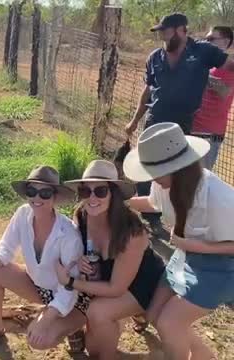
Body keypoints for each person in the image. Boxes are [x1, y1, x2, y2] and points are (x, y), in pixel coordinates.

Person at [124, 122, 234, 360]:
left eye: (155, 171)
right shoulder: (164, 183)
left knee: (169, 324)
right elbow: (154, 203)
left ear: (178, 167)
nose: (151, 177)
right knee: (154, 315)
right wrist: (121, 203)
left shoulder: (218, 197)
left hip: (220, 268)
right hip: (185, 256)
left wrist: (193, 246)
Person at [124, 13, 234, 232]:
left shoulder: (204, 51)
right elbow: (147, 91)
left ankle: (181, 219)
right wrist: (135, 120)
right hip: (155, 120)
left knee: (177, 172)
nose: (163, 36)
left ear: (182, 30)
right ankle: (150, 220)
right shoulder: (155, 57)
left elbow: (230, 65)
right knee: (147, 167)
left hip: (181, 125)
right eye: (161, 32)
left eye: (166, 31)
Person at [0, 166, 88, 351]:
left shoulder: (68, 235)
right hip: (39, 286)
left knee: (38, 340)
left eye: (45, 193)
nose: (37, 198)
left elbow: (70, 288)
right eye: (32, 191)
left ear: (55, 197)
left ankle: (72, 326)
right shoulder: (23, 214)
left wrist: (46, 319)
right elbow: (6, 247)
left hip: (70, 296)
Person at [55, 160, 165, 360]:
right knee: (92, 347)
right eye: (85, 191)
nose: (92, 197)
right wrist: (79, 259)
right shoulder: (81, 215)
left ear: (113, 193)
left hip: (144, 284)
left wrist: (71, 282)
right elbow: (78, 249)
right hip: (109, 279)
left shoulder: (132, 231)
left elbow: (116, 288)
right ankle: (129, 325)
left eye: (100, 190)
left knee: (98, 312)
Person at [192, 26, 234, 170]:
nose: (206, 42)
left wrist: (203, 74)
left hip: (209, 134)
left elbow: (225, 92)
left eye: (211, 39)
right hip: (191, 128)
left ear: (226, 41)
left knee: (200, 181)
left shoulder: (229, 66)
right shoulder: (207, 64)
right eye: (205, 38)